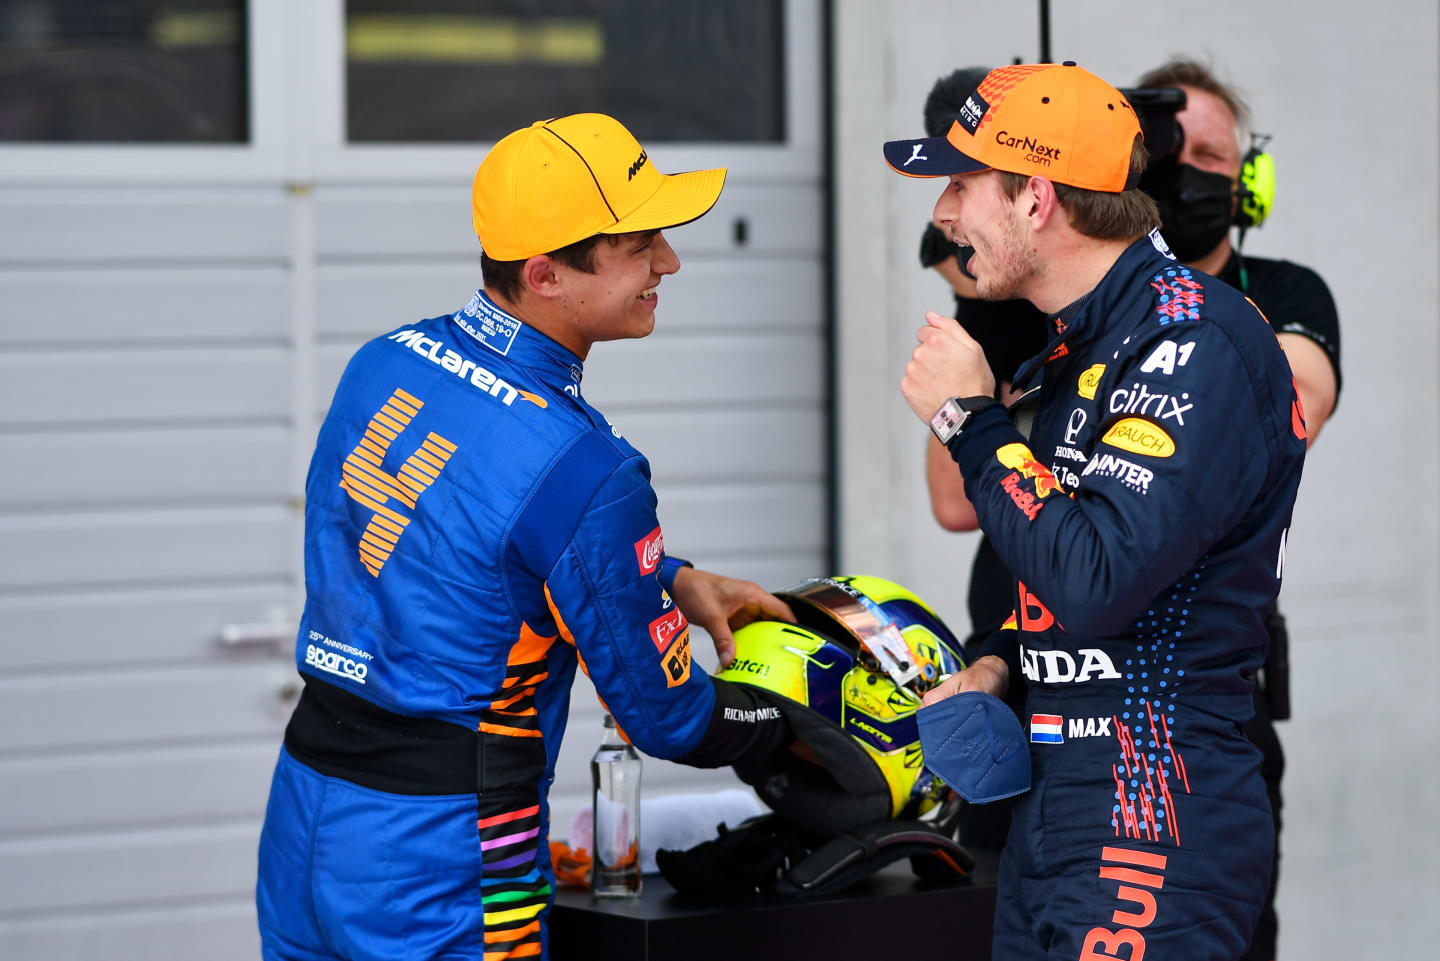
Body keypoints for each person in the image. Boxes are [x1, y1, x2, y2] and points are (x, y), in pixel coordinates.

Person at [255, 113, 797, 961]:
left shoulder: (385, 358)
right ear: (545, 273)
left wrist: (670, 576)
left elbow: (464, 541)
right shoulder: (587, 469)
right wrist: (797, 724)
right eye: (641, 242)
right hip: (446, 853)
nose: (669, 261)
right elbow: (666, 716)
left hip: (306, 816)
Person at [886, 61, 1307, 960]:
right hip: (1055, 809)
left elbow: (1101, 578)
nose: (944, 216)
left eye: (961, 185)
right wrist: (1001, 659)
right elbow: (1079, 554)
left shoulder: (1195, 337)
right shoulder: (1083, 345)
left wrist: (969, 418)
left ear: (1036, 198)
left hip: (1152, 812)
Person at [1137, 59, 1343, 961]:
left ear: (1246, 179)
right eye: (1165, 155)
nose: (1187, 176)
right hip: (1042, 684)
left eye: (1209, 155)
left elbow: (1292, 408)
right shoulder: (1051, 306)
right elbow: (954, 498)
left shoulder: (1288, 293)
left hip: (1213, 704)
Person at [917, 67, 1051, 854]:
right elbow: (953, 502)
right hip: (1001, 639)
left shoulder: (1149, 317)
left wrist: (966, 402)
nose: (946, 215)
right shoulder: (979, 292)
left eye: (961, 183)